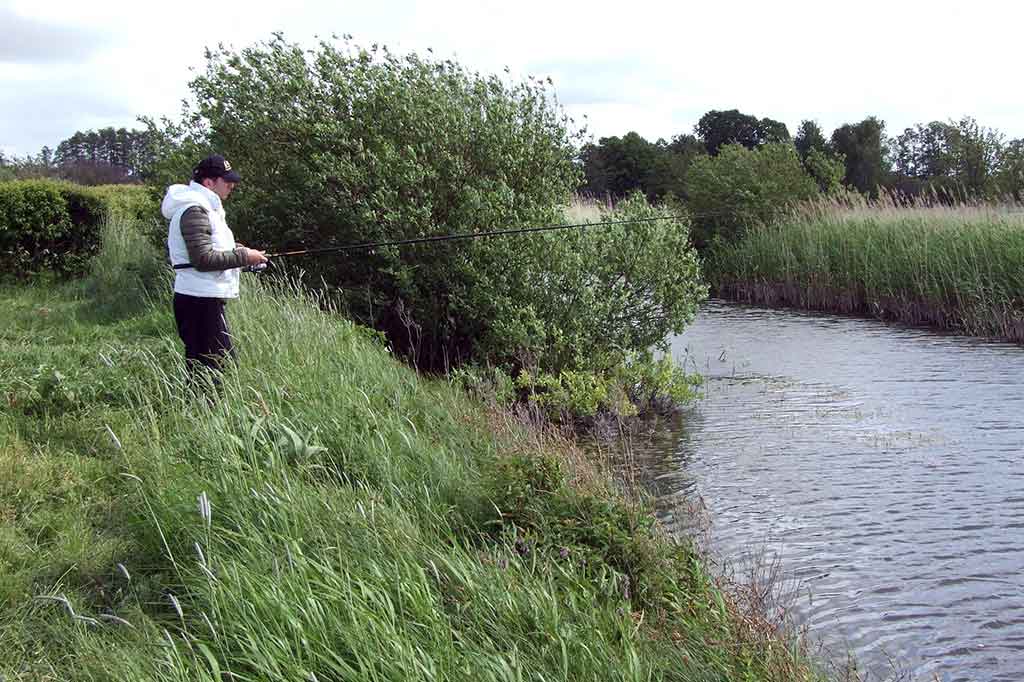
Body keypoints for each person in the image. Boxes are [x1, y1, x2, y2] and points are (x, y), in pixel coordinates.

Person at [162, 155, 267, 388]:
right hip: (198, 299)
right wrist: (244, 256)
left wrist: (244, 255)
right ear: (209, 182)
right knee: (216, 367)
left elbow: (213, 250)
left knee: (207, 366)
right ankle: (205, 415)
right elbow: (203, 259)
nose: (232, 185)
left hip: (203, 297)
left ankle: (199, 413)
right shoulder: (194, 210)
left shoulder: (206, 208)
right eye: (226, 180)